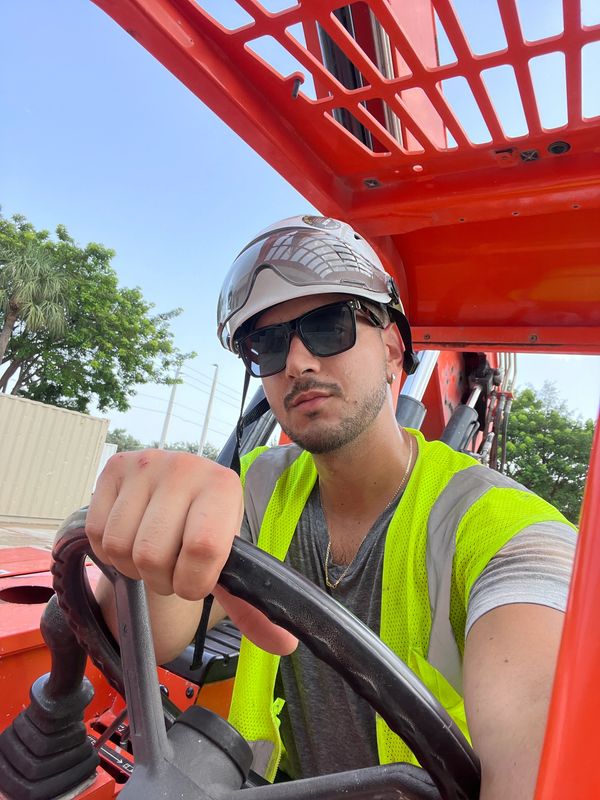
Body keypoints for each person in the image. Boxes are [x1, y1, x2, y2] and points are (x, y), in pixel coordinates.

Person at [88, 215, 576, 800]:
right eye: (266, 344)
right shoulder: (260, 487)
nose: (295, 362)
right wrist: (144, 536)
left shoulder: (500, 526)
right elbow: (155, 637)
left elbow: (539, 721)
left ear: (394, 350)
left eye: (326, 325)